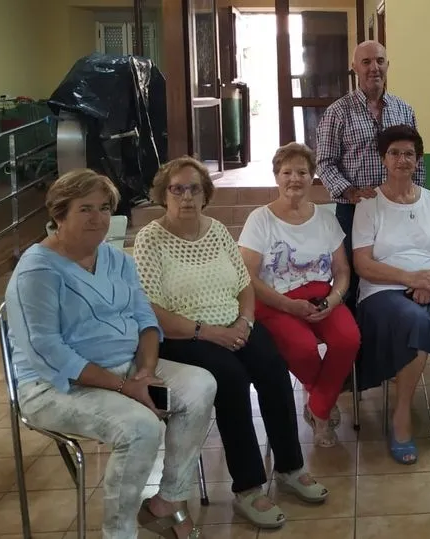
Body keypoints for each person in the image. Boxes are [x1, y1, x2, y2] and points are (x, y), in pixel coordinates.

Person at [5, 169, 215, 539]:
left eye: (104, 208)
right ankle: (118, 533)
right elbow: (49, 351)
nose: (98, 219)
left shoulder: (116, 260)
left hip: (126, 369)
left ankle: (167, 501)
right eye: (85, 209)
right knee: (140, 428)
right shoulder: (36, 271)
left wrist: (145, 373)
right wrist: (123, 386)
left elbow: (145, 320)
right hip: (54, 386)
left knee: (200, 385)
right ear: (59, 214)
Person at [133, 157, 328, 529]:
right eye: (178, 189)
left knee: (273, 367)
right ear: (164, 194)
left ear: (205, 195)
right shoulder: (150, 239)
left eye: (194, 189)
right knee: (231, 379)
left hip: (234, 325)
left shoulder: (218, 230)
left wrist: (245, 322)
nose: (187, 197)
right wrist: (207, 332)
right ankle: (249, 488)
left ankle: (290, 466)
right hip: (184, 335)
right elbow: (151, 308)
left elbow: (244, 285)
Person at [353, 125, 430, 464]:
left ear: (418, 159)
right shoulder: (368, 205)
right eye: (394, 153)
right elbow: (363, 263)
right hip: (384, 287)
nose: (402, 159)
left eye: (408, 153)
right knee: (413, 321)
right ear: (383, 159)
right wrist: (411, 279)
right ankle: (401, 414)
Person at [238, 142, 360, 448]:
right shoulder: (259, 220)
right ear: (276, 176)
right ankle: (322, 411)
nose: (294, 178)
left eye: (302, 172)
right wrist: (288, 305)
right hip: (275, 300)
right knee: (304, 348)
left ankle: (316, 404)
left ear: (312, 177)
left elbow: (342, 271)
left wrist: (334, 299)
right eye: (287, 172)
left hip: (321, 297)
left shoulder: (326, 219)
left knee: (348, 339)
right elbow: (247, 277)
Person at [316, 40, 424, 312]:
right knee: (352, 280)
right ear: (354, 68)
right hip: (354, 210)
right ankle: (359, 347)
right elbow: (325, 163)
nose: (373, 68)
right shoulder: (337, 113)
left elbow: (416, 159)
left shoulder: (404, 110)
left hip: (397, 210)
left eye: (379, 61)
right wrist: (350, 192)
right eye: (366, 62)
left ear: (388, 65)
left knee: (395, 273)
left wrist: (415, 200)